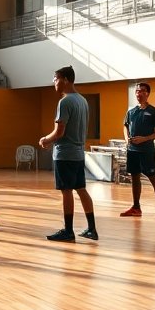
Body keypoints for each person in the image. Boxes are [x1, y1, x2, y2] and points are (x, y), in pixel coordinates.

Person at [39, 66, 97, 242]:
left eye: (55, 78)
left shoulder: (64, 102)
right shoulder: (82, 100)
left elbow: (59, 132)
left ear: (65, 79)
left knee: (66, 191)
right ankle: (92, 229)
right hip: (78, 153)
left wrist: (45, 140)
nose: (54, 82)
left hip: (65, 154)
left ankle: (68, 231)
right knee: (81, 189)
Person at [120, 81, 155, 222]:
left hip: (146, 151)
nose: (139, 93)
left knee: (153, 178)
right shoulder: (131, 111)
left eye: (142, 91)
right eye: (137, 91)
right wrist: (126, 138)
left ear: (147, 94)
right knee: (134, 177)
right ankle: (136, 208)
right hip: (132, 150)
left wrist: (145, 139)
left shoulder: (154, 112)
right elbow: (125, 126)